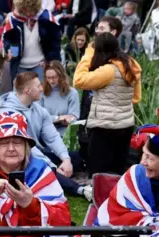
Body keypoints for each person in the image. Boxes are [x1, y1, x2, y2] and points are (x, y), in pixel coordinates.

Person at [0, 72, 90, 200]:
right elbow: (28, 149)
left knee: (76, 157)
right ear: (27, 90)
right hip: (21, 159)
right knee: (47, 170)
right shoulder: (9, 114)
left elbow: (52, 137)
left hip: (39, 153)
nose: (42, 88)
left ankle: (62, 173)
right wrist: (51, 166)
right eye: (38, 86)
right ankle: (80, 190)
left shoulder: (38, 109)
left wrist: (65, 159)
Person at [74, 32, 142, 177]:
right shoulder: (131, 65)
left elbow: (78, 80)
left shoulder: (108, 71)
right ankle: (117, 199)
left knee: (98, 173)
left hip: (104, 128)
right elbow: (136, 98)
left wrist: (88, 54)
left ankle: (100, 199)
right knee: (117, 171)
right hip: (125, 125)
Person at [75, 16, 123, 168]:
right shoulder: (97, 51)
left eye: (102, 28)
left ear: (113, 32)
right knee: (84, 134)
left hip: (105, 107)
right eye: (97, 28)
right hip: (89, 99)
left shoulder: (117, 58)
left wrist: (89, 52)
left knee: (100, 143)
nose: (97, 31)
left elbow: (79, 80)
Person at [0, 0, 61, 81]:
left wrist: (49, 60)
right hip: (19, 66)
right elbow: (7, 39)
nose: (29, 14)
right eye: (25, 10)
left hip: (40, 65)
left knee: (40, 92)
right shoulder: (13, 20)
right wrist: (8, 50)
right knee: (19, 92)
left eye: (31, 10)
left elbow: (55, 43)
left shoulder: (46, 18)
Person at [39, 60, 80, 138]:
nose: (51, 81)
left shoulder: (72, 93)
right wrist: (58, 118)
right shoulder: (41, 92)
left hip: (65, 135)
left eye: (54, 77)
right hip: (45, 134)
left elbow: (74, 118)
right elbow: (39, 118)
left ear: (61, 76)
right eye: (48, 78)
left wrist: (67, 120)